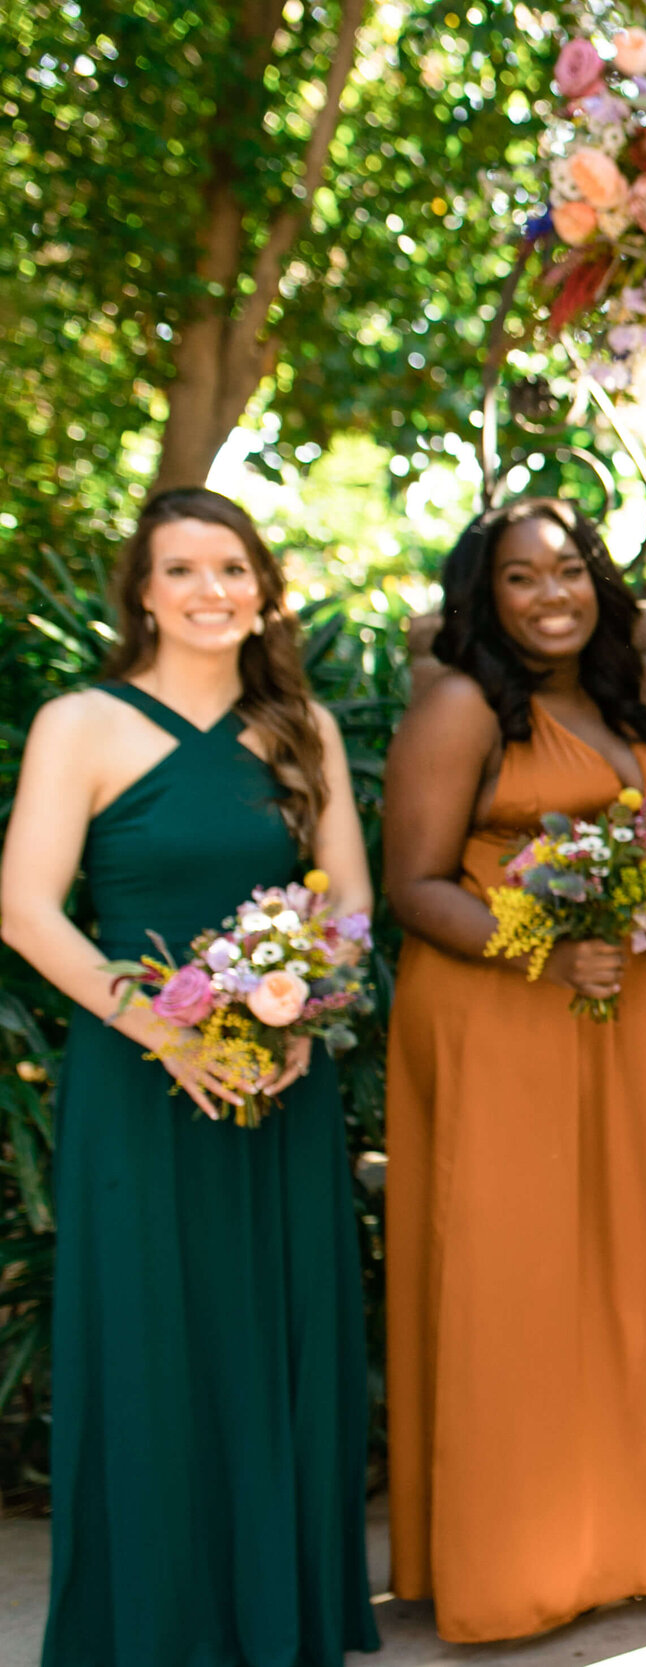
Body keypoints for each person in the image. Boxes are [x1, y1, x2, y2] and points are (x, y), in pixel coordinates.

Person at [1, 488, 378, 1664]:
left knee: (275, 1331)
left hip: (282, 1080)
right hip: (142, 1086)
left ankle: (279, 1616)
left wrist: (305, 1007)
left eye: (231, 567)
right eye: (181, 570)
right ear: (144, 594)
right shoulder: (84, 723)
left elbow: (349, 899)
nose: (210, 590)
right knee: (158, 1341)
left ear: (263, 587)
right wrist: (167, 1029)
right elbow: (23, 908)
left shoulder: (302, 725)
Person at [381, 498, 646, 1639]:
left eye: (569, 571)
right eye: (522, 579)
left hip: (627, 1016)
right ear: (483, 595)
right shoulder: (460, 702)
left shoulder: (614, 696)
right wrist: (541, 948)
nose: (552, 596)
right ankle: (511, 1557)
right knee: (517, 1280)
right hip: (503, 1016)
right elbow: (416, 883)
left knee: (628, 1274)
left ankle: (619, 1539)